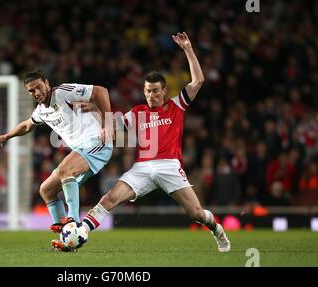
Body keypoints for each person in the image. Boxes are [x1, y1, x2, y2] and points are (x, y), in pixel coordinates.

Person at [62, 32, 231, 252]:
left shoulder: (176, 105)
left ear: (164, 91)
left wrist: (188, 49)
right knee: (109, 199)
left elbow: (198, 81)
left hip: (169, 165)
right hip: (142, 168)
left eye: (154, 91)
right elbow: (113, 125)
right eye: (147, 91)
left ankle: (217, 229)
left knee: (196, 214)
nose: (150, 95)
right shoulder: (137, 112)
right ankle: (80, 232)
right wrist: (96, 109)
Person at [0, 70, 113, 250]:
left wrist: (107, 124)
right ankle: (67, 238)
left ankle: (73, 221)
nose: (37, 92)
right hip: (82, 150)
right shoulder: (41, 111)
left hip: (97, 143)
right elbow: (26, 125)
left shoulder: (62, 92)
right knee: (46, 189)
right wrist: (6, 136)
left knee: (64, 169)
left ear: (47, 83)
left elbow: (101, 91)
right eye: (32, 91)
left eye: (39, 87)